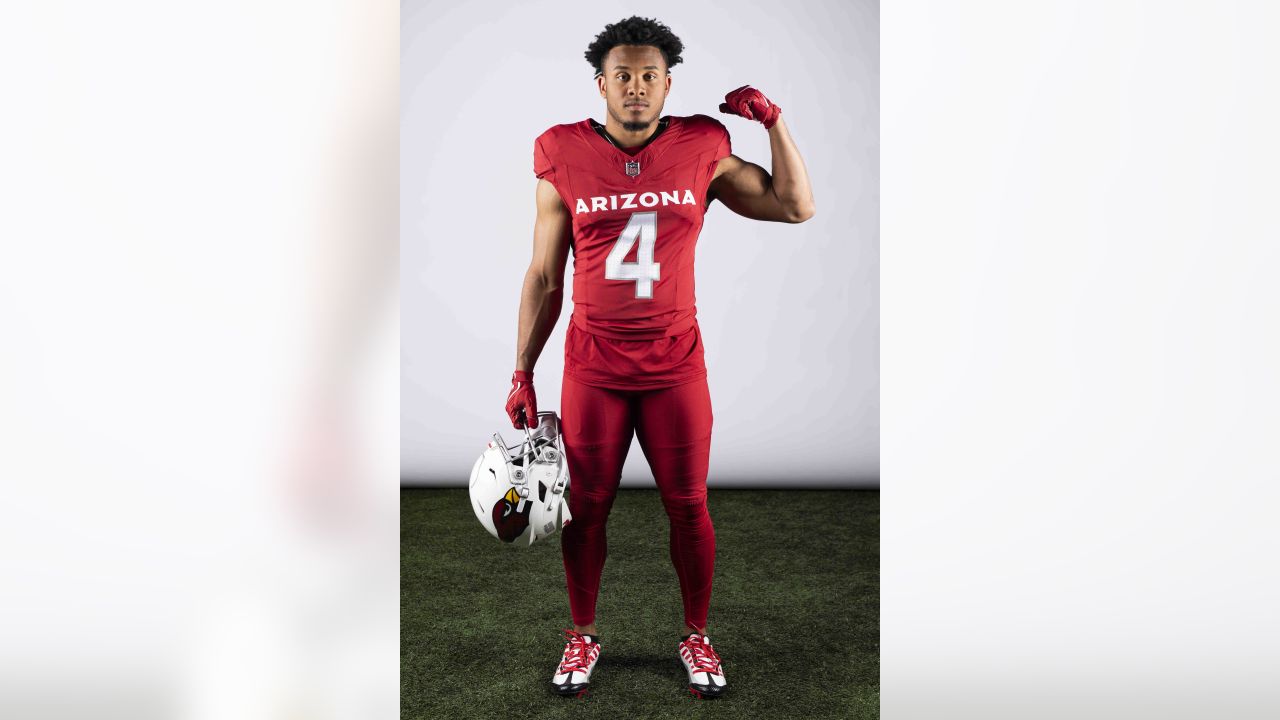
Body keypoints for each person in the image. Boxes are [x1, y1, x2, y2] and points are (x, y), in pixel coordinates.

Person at [505, 15, 814, 699]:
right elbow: (544, 275)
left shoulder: (702, 143)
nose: (637, 87)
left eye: (649, 76)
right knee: (585, 507)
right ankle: (581, 634)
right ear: (601, 84)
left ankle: (697, 636)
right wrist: (523, 369)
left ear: (668, 81)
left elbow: (795, 207)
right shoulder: (561, 151)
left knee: (688, 505)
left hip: (675, 364)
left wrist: (775, 124)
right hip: (594, 366)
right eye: (624, 76)